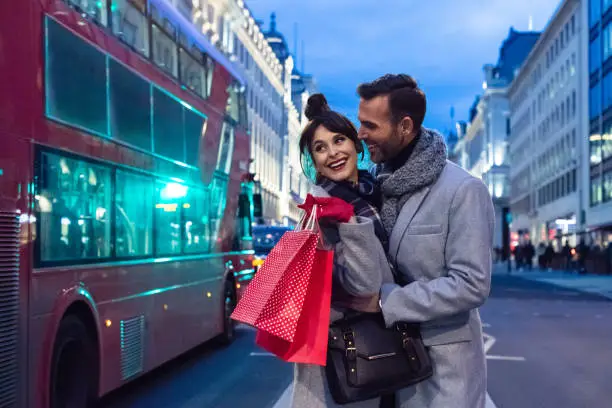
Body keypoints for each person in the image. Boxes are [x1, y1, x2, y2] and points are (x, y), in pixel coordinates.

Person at [357, 74, 495, 408]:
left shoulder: (463, 190)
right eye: (360, 124)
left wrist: (386, 301)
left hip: (440, 377)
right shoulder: (370, 188)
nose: (360, 135)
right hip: (376, 369)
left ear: (404, 126)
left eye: (370, 126)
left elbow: (472, 284)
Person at [291, 94, 393, 408]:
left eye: (339, 140)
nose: (333, 153)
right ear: (313, 160)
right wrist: (350, 223)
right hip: (344, 359)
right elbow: (363, 285)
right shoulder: (323, 210)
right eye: (320, 148)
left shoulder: (373, 192)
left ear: (356, 145)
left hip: (378, 348)